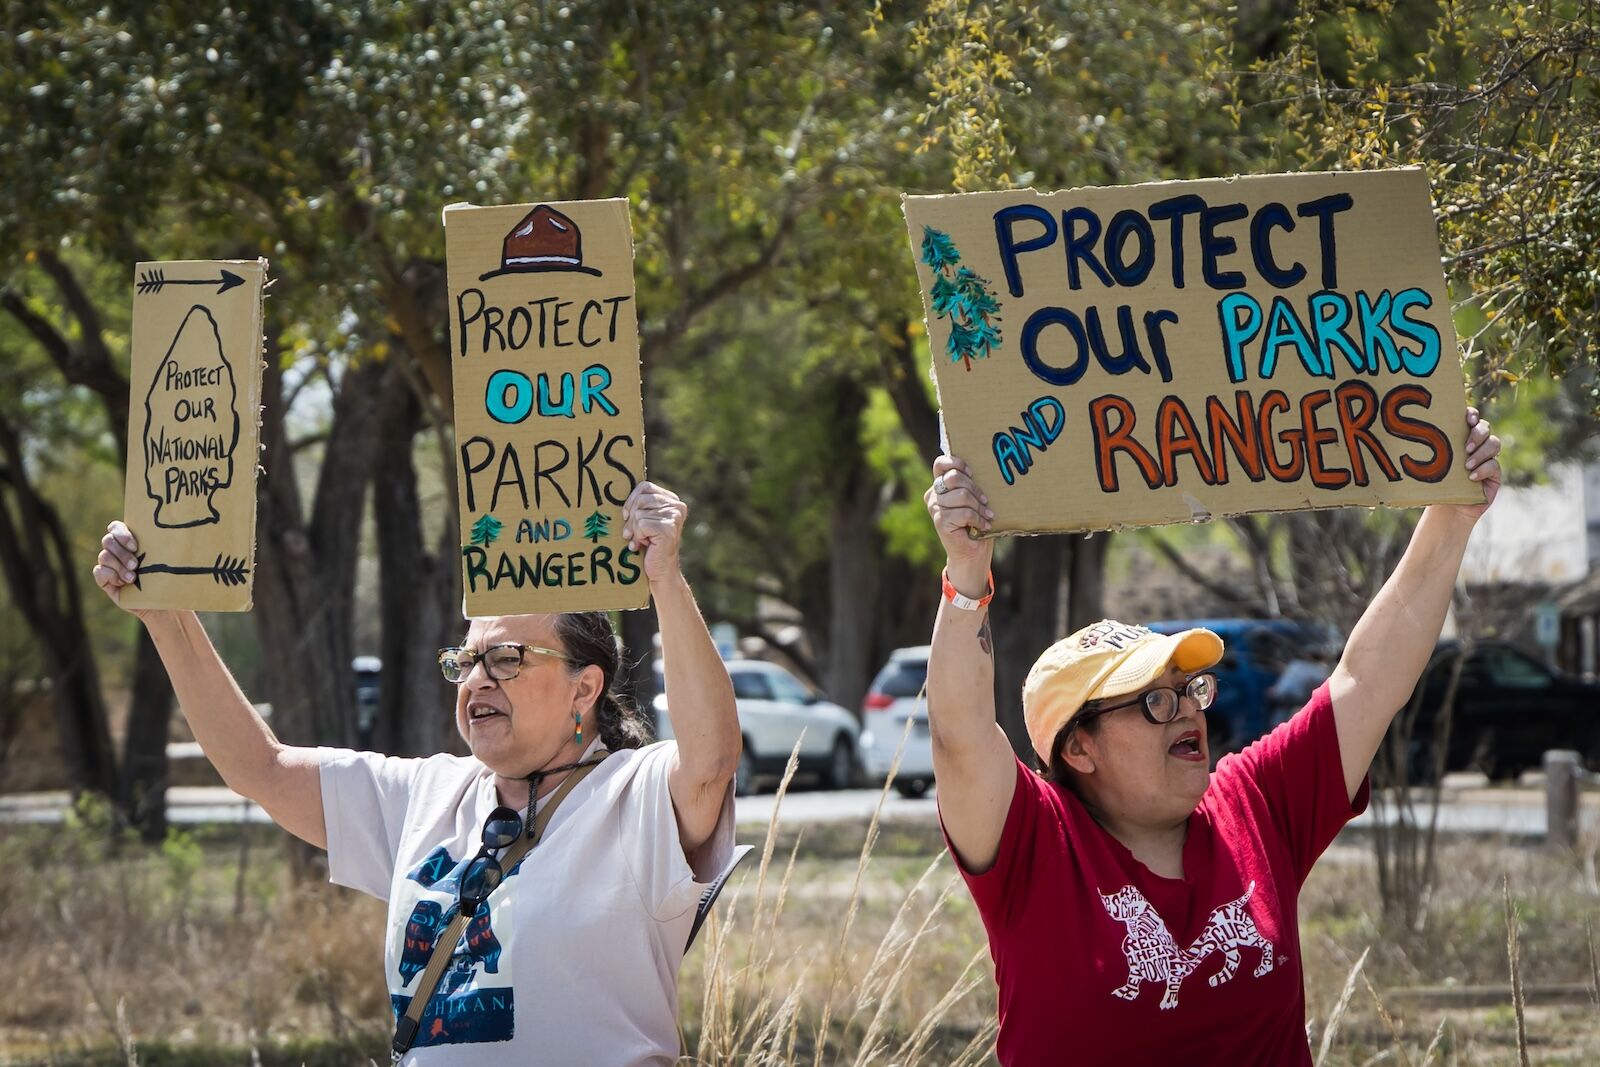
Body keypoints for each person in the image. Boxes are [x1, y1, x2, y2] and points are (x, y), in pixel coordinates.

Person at [923, 409, 1502, 1065]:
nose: (1188, 713)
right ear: (1078, 747)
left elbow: (1365, 680)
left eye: (1190, 689)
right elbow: (961, 732)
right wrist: (967, 572)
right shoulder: (1035, 844)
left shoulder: (1253, 803)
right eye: (1154, 699)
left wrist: (1451, 516)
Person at [94, 481, 740, 1066]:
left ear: (585, 687)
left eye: (508, 657)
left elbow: (710, 760)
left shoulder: (633, 795)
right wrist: (166, 613)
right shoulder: (427, 793)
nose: (479, 678)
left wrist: (665, 579)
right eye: (467, 659)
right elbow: (260, 766)